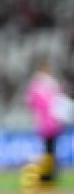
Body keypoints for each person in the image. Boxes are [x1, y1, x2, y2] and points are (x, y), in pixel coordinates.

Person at [27, 58, 69, 186]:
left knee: (49, 151)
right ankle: (48, 176)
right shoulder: (49, 84)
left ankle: (47, 176)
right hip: (51, 124)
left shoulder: (41, 84)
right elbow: (57, 102)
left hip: (48, 124)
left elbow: (32, 103)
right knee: (49, 151)